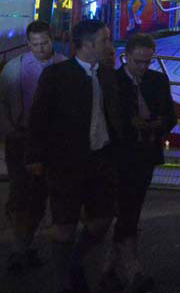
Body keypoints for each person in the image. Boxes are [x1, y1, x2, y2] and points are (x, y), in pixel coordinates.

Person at [25, 19, 123, 293]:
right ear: (88, 45)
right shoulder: (57, 75)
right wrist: (34, 157)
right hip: (66, 162)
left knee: (102, 218)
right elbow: (38, 118)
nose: (109, 45)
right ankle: (65, 282)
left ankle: (75, 262)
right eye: (104, 40)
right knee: (64, 224)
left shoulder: (107, 75)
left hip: (101, 158)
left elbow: (113, 115)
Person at [104, 33, 176, 292]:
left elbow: (170, 115)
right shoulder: (113, 82)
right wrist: (130, 124)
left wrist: (159, 125)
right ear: (126, 57)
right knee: (126, 209)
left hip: (145, 151)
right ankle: (129, 267)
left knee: (131, 208)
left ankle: (112, 267)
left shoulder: (157, 80)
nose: (143, 67)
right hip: (120, 154)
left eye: (147, 61)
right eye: (138, 61)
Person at [0, 20, 64, 274]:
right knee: (21, 191)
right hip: (22, 136)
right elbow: (2, 103)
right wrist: (10, 129)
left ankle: (22, 246)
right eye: (35, 44)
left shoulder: (61, 65)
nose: (40, 49)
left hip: (49, 140)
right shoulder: (15, 68)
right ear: (28, 43)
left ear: (51, 39)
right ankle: (20, 246)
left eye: (44, 43)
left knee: (37, 194)